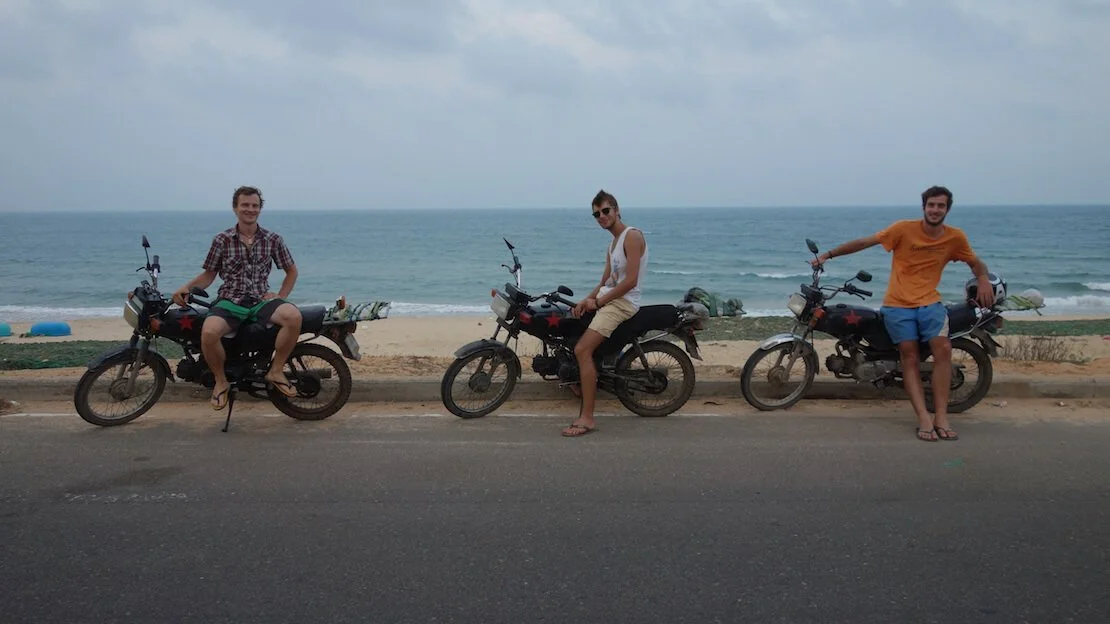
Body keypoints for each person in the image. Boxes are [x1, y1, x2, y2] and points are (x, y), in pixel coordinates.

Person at [809, 185, 994, 442]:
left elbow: (974, 262)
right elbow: (865, 242)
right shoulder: (903, 229)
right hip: (897, 305)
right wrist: (828, 255)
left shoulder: (955, 237)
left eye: (940, 205)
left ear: (947, 209)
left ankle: (941, 416)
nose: (935, 209)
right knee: (909, 355)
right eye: (931, 205)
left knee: (943, 350)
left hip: (930, 303)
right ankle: (923, 418)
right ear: (924, 207)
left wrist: (983, 278)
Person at [172, 186, 302, 410]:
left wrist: (280, 296)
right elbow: (209, 275)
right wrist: (187, 287)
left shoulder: (273, 239)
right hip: (230, 300)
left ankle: (276, 370)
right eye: (245, 205)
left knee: (294, 317)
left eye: (255, 205)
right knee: (209, 333)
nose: (250, 209)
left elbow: (292, 271)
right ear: (235, 208)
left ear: (260, 209)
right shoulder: (222, 240)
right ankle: (221, 381)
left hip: (261, 300)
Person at [562, 190, 649, 437]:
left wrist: (599, 302)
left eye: (605, 211)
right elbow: (606, 281)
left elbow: (630, 281)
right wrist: (586, 300)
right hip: (611, 300)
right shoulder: (612, 245)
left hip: (622, 304)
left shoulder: (632, 236)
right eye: (596, 214)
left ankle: (587, 418)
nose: (601, 216)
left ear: (617, 210)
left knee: (582, 350)